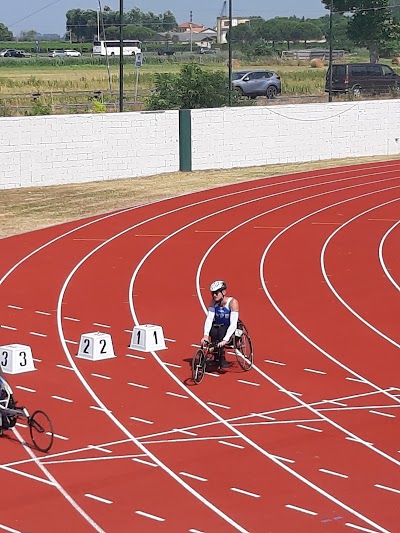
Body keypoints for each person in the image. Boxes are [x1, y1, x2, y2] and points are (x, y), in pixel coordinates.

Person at [201, 280, 239, 368]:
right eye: (212, 293)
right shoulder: (214, 302)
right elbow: (209, 319)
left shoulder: (232, 302)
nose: (214, 295)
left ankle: (222, 357)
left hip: (228, 326)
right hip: (218, 325)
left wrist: (225, 340)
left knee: (221, 331)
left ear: (223, 292)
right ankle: (216, 357)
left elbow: (233, 324)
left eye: (216, 293)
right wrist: (205, 335)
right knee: (213, 331)